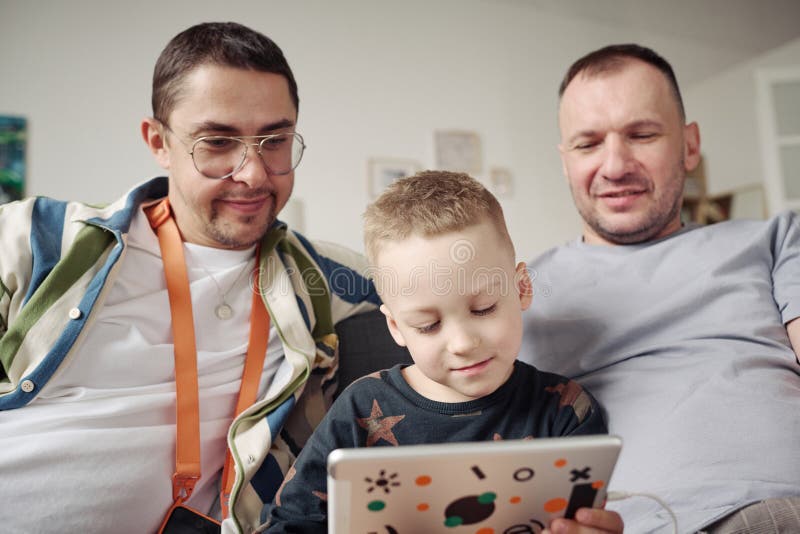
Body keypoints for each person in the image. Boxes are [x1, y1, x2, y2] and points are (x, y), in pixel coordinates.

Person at [0, 22, 379, 533]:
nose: (253, 173)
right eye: (218, 142)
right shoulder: (35, 239)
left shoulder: (323, 276)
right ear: (158, 141)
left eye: (275, 139)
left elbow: (454, 283)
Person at [519, 43, 800, 534]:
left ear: (690, 145)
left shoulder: (774, 240)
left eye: (642, 134)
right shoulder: (516, 295)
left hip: (776, 509)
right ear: (565, 161)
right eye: (587, 145)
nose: (615, 165)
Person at [263, 170, 624, 534]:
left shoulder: (565, 410)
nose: (463, 343)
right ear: (395, 328)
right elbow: (291, 523)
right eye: (428, 326)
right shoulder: (360, 409)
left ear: (522, 287)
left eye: (483, 308)